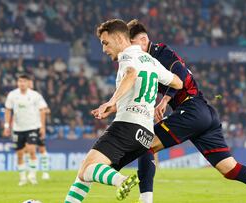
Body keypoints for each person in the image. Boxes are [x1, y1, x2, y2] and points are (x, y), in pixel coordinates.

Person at [127, 19, 246, 203]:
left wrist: (164, 100)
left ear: (143, 39)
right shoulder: (146, 61)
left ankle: (145, 201)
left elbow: (180, 75)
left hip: (191, 110)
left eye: (131, 44)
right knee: (230, 169)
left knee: (145, 143)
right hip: (204, 113)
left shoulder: (160, 52)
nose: (129, 50)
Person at [64, 19, 183, 203]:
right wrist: (162, 100)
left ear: (120, 38)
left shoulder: (126, 55)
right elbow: (178, 82)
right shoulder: (150, 60)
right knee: (87, 173)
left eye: (105, 43)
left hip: (127, 126)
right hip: (145, 135)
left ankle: (123, 181)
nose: (104, 49)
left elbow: (131, 74)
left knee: (85, 169)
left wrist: (110, 101)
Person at [3, 74, 48, 186]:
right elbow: (8, 110)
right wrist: (6, 126)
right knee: (19, 154)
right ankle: (22, 178)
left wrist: (42, 127)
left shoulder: (35, 95)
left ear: (28, 83)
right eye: (19, 81)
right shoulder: (12, 95)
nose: (21, 83)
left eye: (24, 81)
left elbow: (43, 110)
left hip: (32, 127)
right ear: (17, 83)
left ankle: (32, 176)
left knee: (31, 150)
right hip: (18, 128)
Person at [23, 79, 50, 180]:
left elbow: (46, 109)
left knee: (41, 149)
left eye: (30, 83)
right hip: (26, 127)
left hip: (37, 126)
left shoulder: (37, 96)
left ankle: (45, 172)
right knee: (28, 149)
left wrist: (42, 127)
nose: (29, 85)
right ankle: (31, 172)